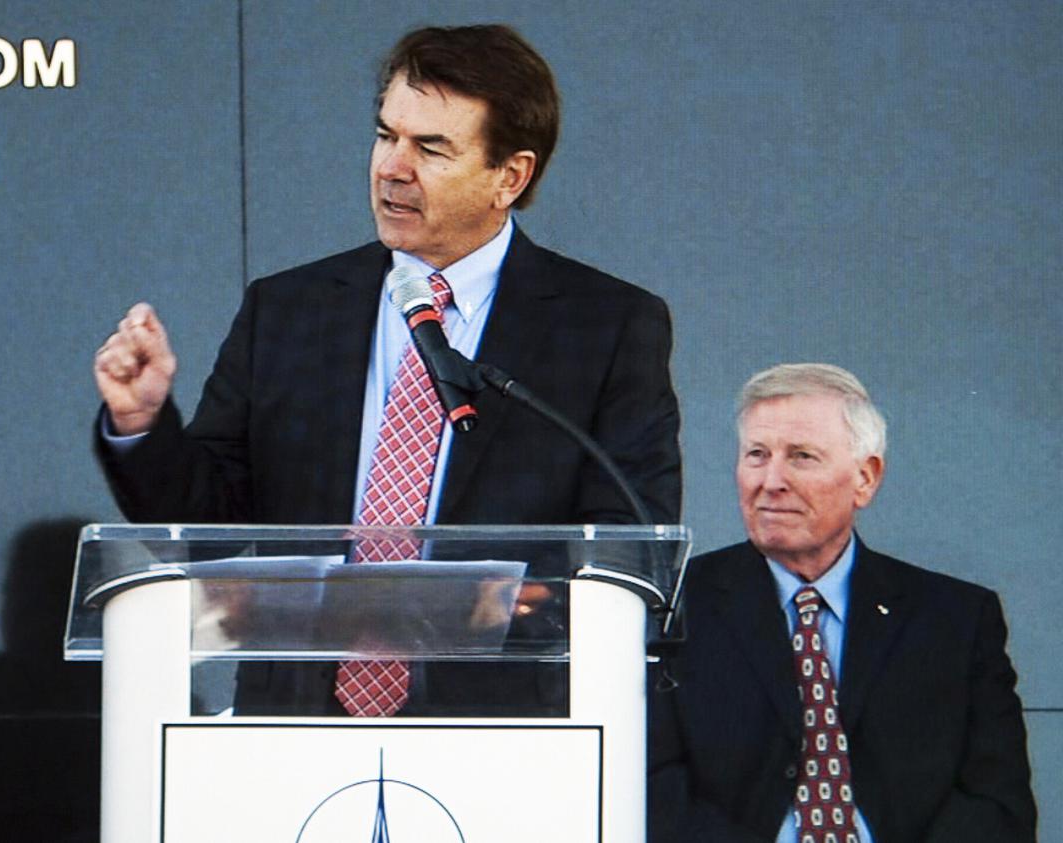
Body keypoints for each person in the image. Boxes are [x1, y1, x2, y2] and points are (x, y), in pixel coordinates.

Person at [91, 25, 681, 716]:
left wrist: (492, 608)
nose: (391, 167)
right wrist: (141, 422)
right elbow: (208, 525)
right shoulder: (288, 309)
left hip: (502, 735)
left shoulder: (604, 326)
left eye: (430, 148)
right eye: (385, 135)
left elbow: (623, 545)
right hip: (297, 730)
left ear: (509, 176)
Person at [647, 363, 1036, 842]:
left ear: (865, 478)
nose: (771, 481)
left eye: (802, 457)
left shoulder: (955, 619)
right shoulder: (672, 607)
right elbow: (650, 790)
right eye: (756, 454)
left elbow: (996, 801)